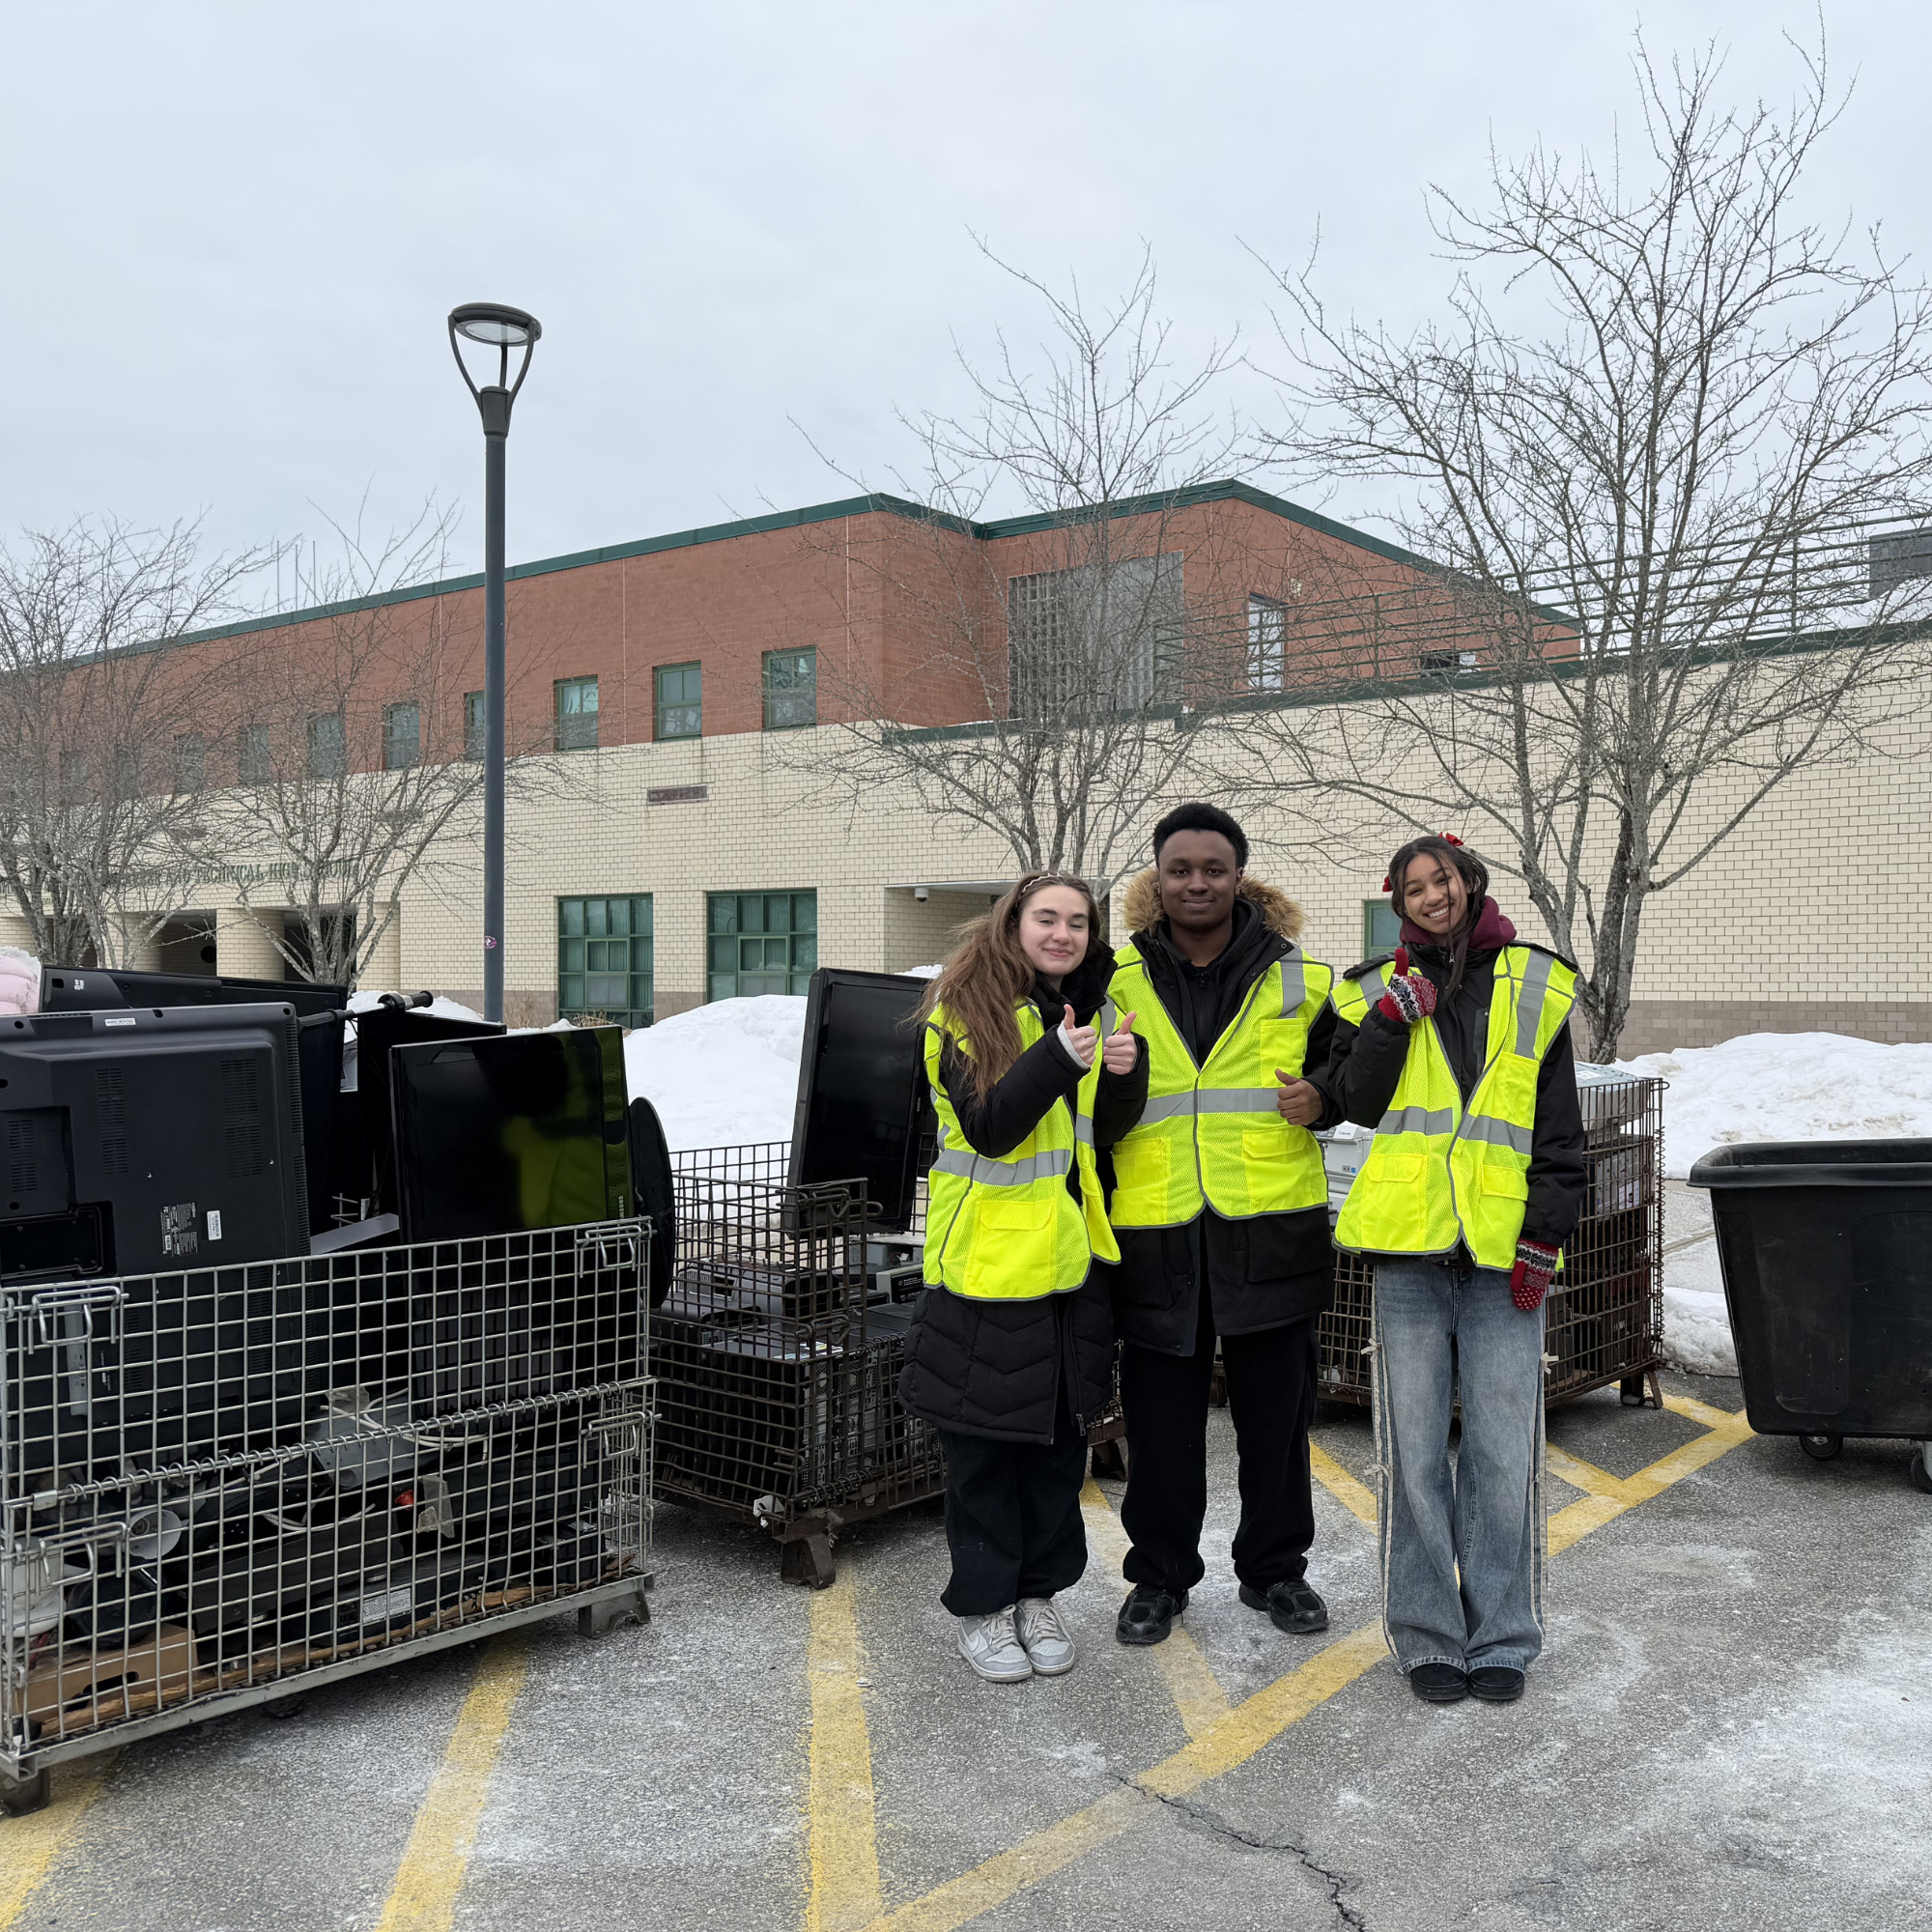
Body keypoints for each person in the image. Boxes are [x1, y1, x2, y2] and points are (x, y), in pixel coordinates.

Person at [1326, 834, 1586, 1707]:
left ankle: (1504, 1634)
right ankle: (1430, 1634)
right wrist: (1391, 1023)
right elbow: (1356, 1104)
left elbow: (1556, 1134)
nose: (1432, 897)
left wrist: (1546, 1236)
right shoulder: (1374, 990)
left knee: (1506, 1454)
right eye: (1413, 889)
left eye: (1443, 880)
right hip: (1408, 1253)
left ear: (1471, 882)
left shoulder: (1534, 984)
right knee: (1413, 1457)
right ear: (1398, 903)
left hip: (1502, 1255)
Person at [1102, 803, 1339, 1649]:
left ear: (1241, 876)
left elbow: (1358, 1073)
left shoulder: (1302, 978)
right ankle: (1159, 1578)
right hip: (1156, 1238)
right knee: (1161, 1430)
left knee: (1276, 1425)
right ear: (1156, 879)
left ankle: (1276, 1571)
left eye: (1213, 868)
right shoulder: (1114, 979)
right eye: (1180, 869)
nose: (1196, 882)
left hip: (1268, 1236)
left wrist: (1329, 1097)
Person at [899, 871, 1146, 1683]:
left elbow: (1102, 1131)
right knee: (981, 1455)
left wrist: (1121, 1070)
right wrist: (1058, 1057)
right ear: (1013, 923)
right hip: (985, 1266)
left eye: (1078, 922)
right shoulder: (958, 1013)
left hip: (1069, 1266)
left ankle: (1039, 1597)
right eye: (1048, 918)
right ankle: (982, 1608)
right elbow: (993, 1128)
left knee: (1054, 1449)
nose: (1064, 934)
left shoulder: (1081, 1009)